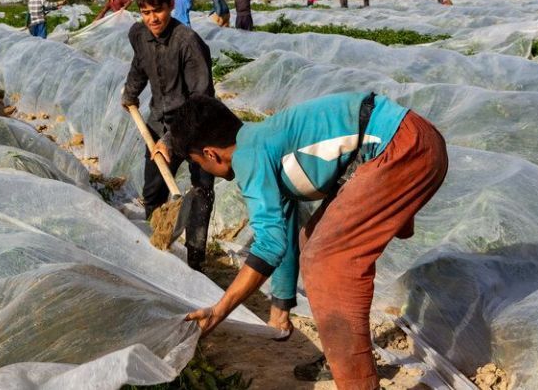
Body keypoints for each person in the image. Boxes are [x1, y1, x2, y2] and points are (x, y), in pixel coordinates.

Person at [171, 93, 448, 389]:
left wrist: (219, 311)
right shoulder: (260, 139)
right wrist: (281, 306)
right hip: (407, 140)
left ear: (211, 154)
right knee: (312, 239)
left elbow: (269, 245)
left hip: (403, 148)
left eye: (196, 161)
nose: (201, 169)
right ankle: (344, 355)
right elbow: (283, 225)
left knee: (327, 262)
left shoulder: (248, 157)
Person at [122, 0, 216, 270]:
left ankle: (196, 261)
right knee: (153, 190)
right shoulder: (139, 35)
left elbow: (201, 99)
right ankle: (159, 248)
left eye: (158, 11)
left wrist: (171, 140)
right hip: (158, 122)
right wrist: (130, 94)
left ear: (171, 6)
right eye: (146, 12)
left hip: (197, 127)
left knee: (201, 190)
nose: (153, 18)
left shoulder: (188, 42)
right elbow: (139, 65)